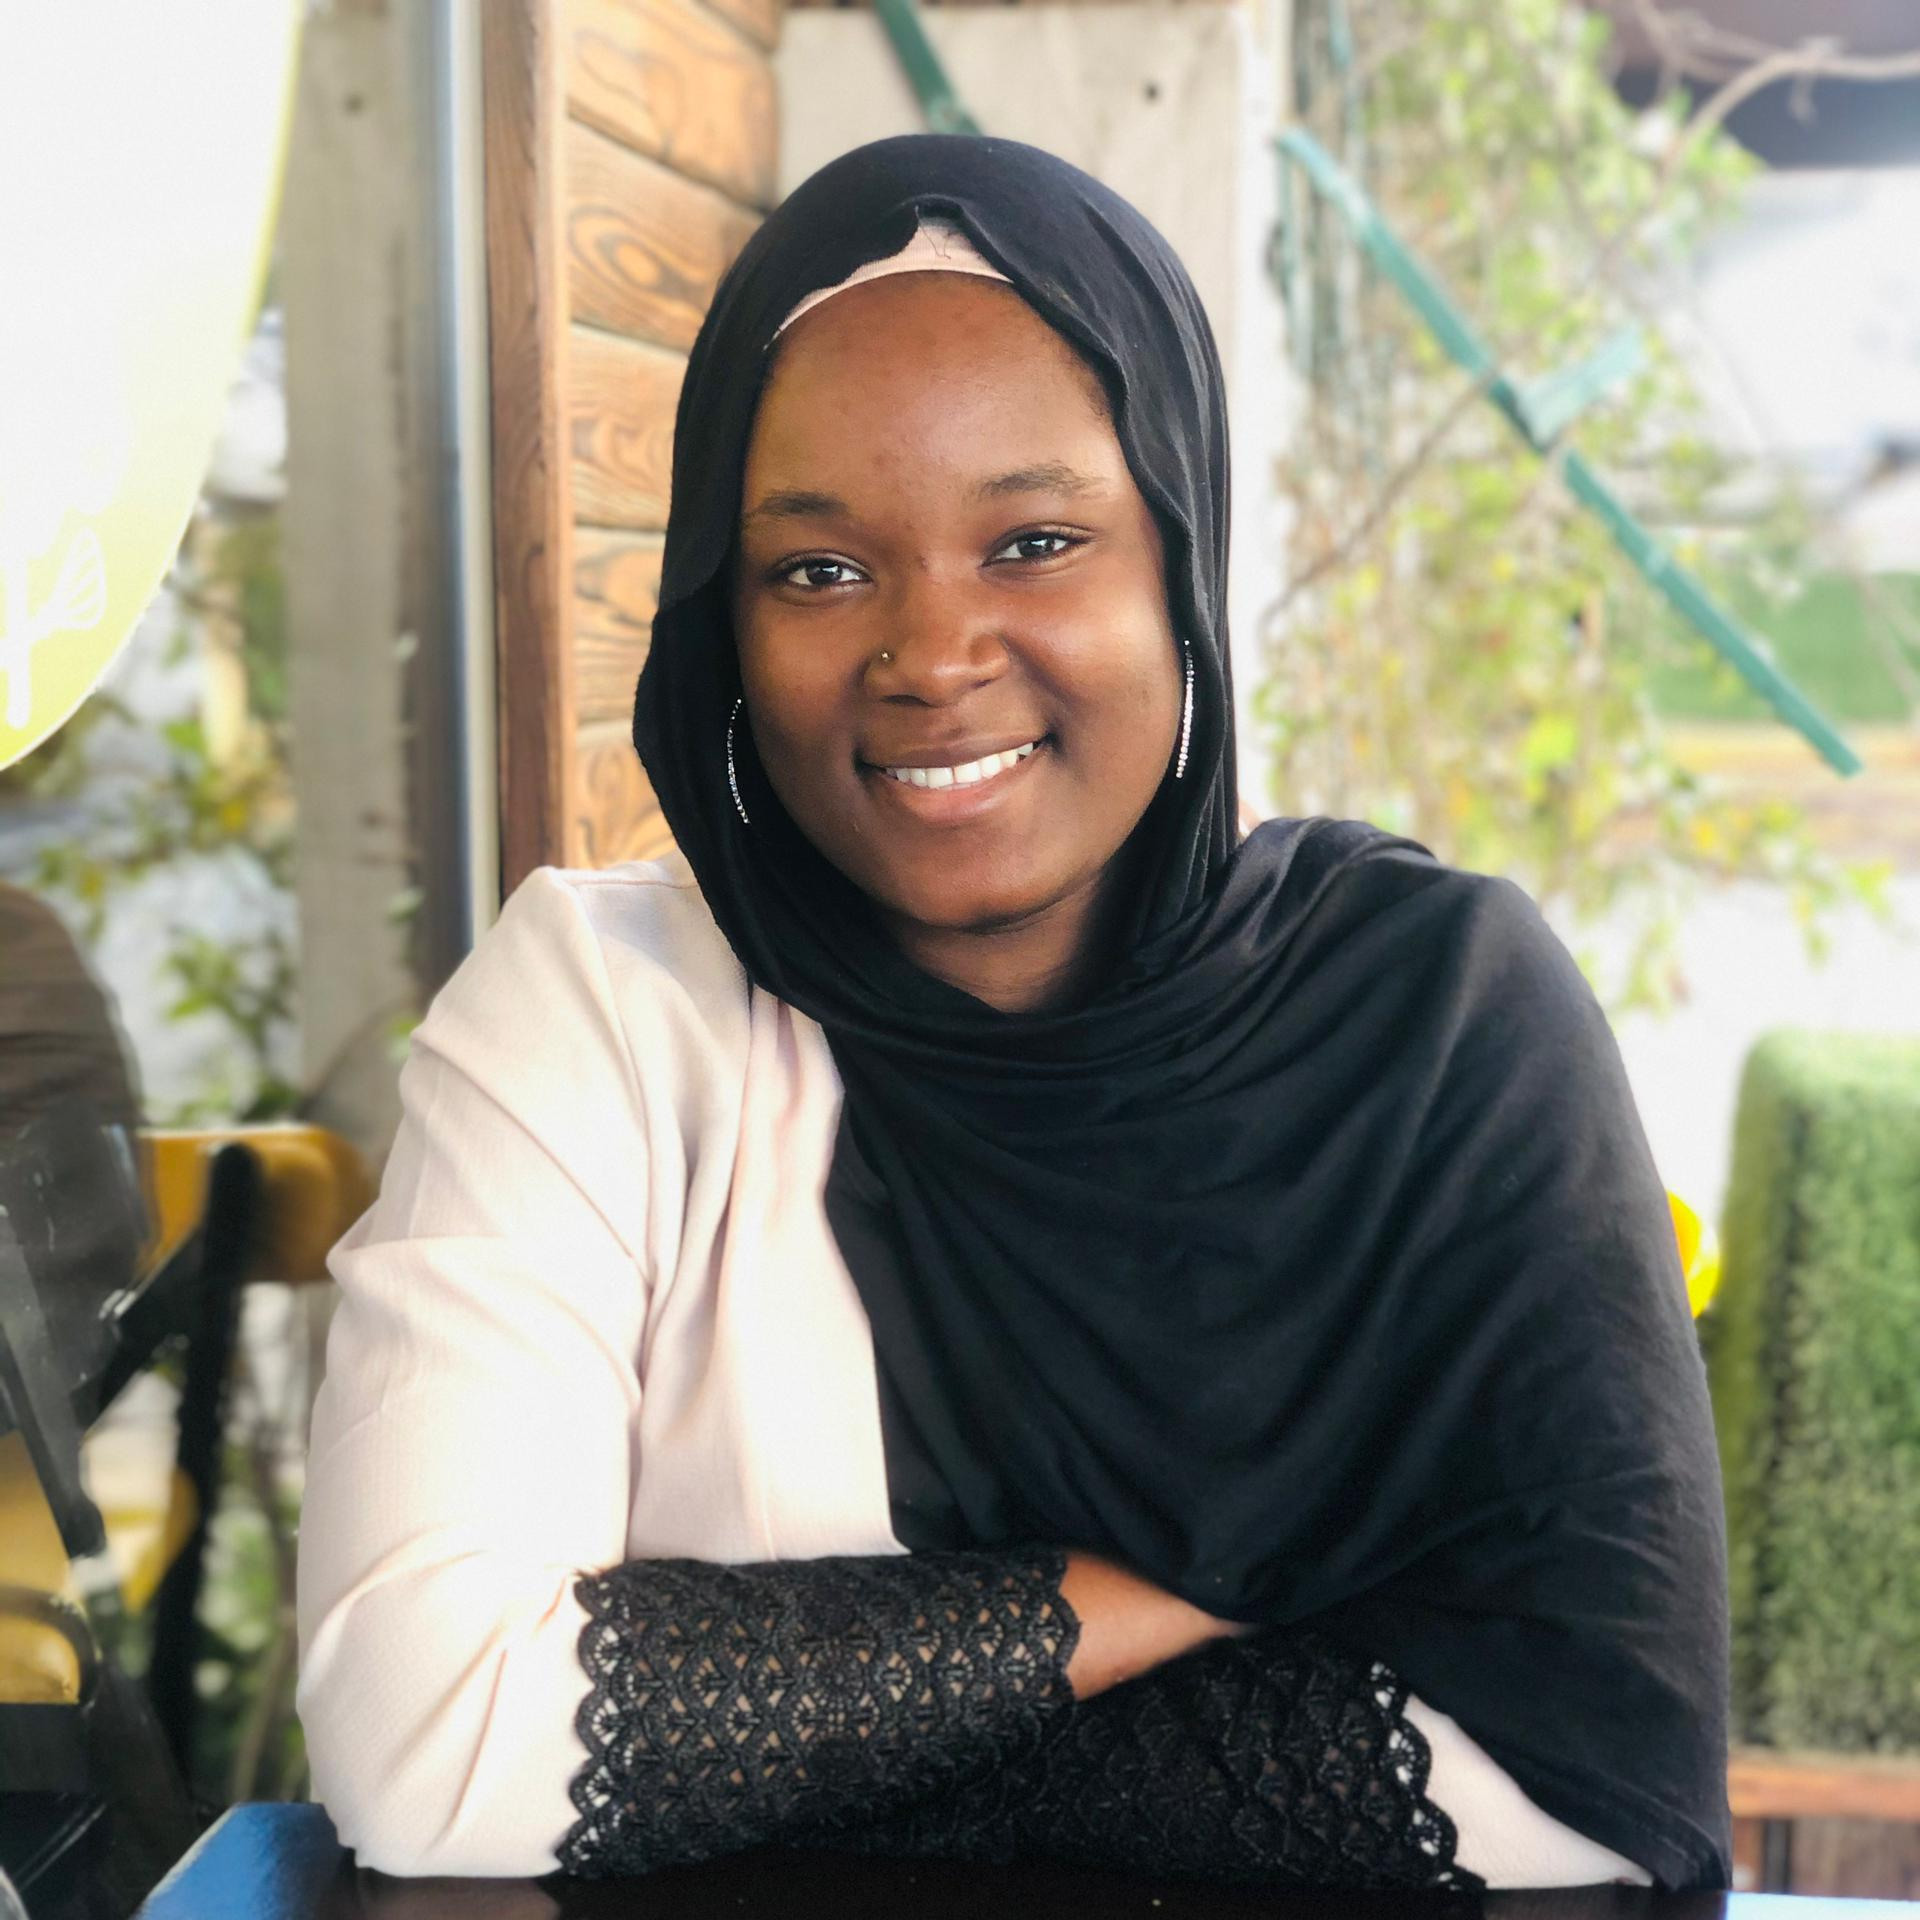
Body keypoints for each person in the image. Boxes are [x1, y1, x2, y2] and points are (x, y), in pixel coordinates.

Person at [294, 136, 1731, 1892]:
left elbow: (1592, 1780)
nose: (932, 654)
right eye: (818, 571)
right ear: (724, 623)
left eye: (1036, 542)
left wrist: (746, 1747)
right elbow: (425, 1735)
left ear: (1179, 568)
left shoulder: (1438, 1019)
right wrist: (1150, 1605)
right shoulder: (597, 1014)